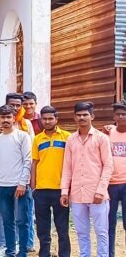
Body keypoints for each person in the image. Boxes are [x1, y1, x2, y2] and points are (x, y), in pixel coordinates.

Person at [61, 101, 114, 257]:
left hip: (97, 194)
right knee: (81, 232)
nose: (82, 118)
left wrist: (101, 190)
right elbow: (67, 167)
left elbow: (108, 166)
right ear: (74, 117)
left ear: (92, 116)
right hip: (77, 194)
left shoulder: (101, 138)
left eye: (85, 114)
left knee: (101, 232)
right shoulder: (71, 139)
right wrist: (64, 191)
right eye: (78, 115)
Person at [0, 105, 32, 257]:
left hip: (19, 186)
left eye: (9, 117)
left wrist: (22, 183)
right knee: (7, 221)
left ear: (14, 118)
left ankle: (23, 252)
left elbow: (27, 161)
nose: (6, 120)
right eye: (3, 117)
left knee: (22, 221)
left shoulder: (22, 136)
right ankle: (10, 252)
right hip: (3, 186)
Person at [30, 106, 70, 257]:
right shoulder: (37, 139)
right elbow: (34, 163)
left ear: (56, 119)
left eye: (50, 118)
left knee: (62, 227)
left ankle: (64, 254)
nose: (47, 121)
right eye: (44, 119)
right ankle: (44, 253)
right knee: (42, 227)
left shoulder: (67, 137)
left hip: (61, 190)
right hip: (41, 190)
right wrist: (33, 187)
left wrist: (68, 188)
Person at [108, 101, 126, 257]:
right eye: (118, 114)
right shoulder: (107, 133)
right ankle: (110, 254)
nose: (121, 117)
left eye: (124, 114)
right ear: (113, 116)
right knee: (109, 223)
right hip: (110, 184)